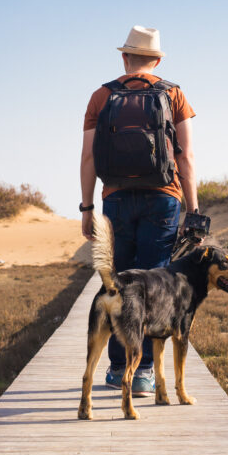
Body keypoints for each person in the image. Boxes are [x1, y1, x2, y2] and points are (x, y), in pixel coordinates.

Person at [79, 25, 198, 396]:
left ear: (124, 57)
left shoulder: (102, 96)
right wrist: (192, 211)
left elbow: (88, 158)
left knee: (116, 283)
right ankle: (144, 370)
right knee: (154, 286)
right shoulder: (173, 93)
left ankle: (117, 369)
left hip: (115, 197)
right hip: (163, 197)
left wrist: (87, 208)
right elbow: (186, 157)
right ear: (158, 60)